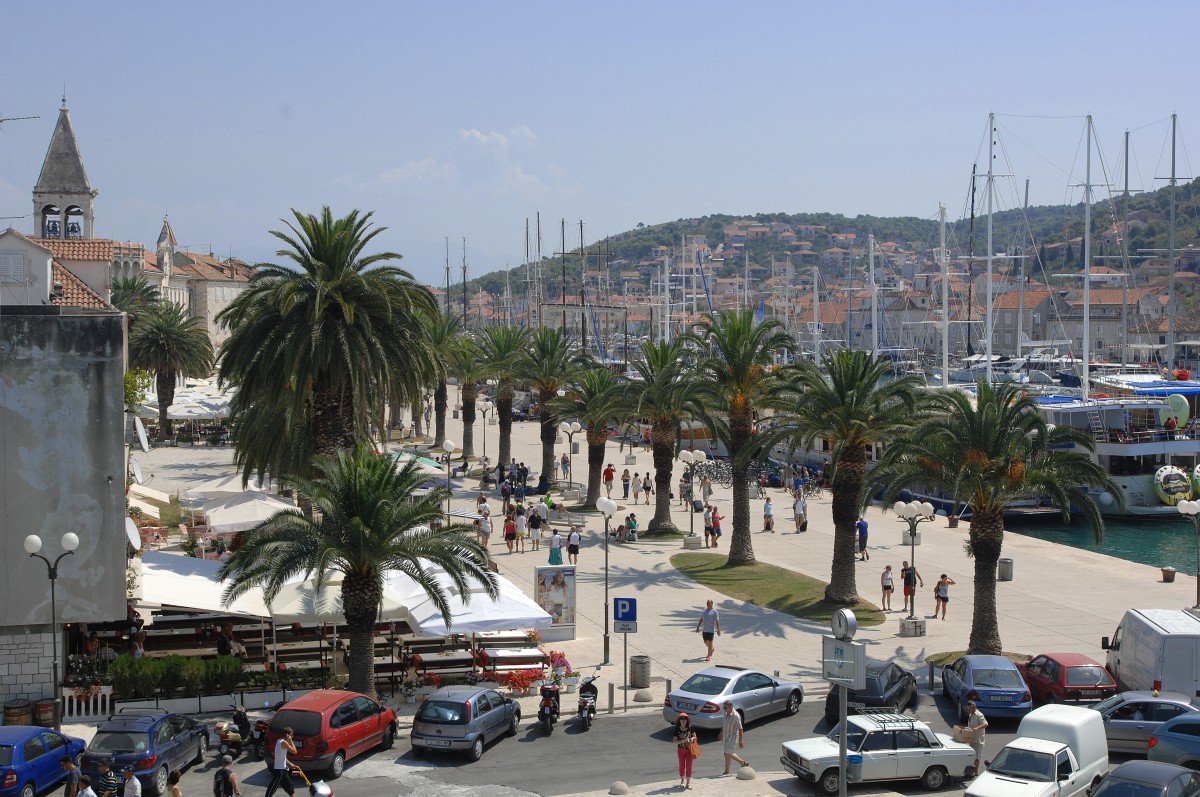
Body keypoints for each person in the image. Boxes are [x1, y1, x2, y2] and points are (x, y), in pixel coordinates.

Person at [718, 701, 749, 774]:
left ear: (730, 707)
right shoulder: (726, 713)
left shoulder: (736, 716)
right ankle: (727, 771)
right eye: (723, 707)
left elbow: (740, 729)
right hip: (726, 737)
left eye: (725, 707)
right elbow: (724, 724)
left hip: (733, 737)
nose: (724, 709)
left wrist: (741, 741)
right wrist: (721, 733)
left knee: (728, 753)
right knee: (727, 755)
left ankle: (742, 762)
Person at [265, 728, 296, 797]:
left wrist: (290, 764)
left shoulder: (279, 741)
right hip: (280, 771)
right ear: (287, 735)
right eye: (291, 735)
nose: (292, 737)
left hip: (283, 770)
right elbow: (294, 751)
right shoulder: (284, 742)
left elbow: (282, 757)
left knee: (290, 789)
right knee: (272, 788)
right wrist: (291, 741)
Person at [673, 713, 698, 789]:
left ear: (687, 720)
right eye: (681, 719)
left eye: (685, 719)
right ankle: (682, 780)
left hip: (689, 750)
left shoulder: (690, 727)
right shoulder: (677, 729)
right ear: (679, 720)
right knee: (682, 766)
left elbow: (695, 736)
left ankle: (688, 783)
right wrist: (683, 741)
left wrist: (690, 739)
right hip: (680, 750)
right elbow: (674, 741)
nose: (683, 720)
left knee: (689, 766)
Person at [964, 700, 989, 776]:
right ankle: (972, 771)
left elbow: (985, 724)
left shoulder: (979, 715)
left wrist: (977, 728)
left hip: (978, 740)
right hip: (972, 738)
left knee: (977, 757)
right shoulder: (970, 714)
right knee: (972, 755)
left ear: (973, 707)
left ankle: (975, 772)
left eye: (969, 709)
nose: (968, 710)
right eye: (967, 709)